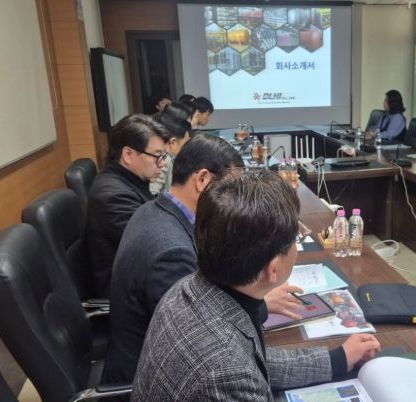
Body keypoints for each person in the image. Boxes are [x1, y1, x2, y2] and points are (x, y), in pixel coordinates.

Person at [132, 170, 381, 400]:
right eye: (294, 238)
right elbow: (238, 369)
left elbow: (253, 362)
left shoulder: (188, 288)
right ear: (272, 269)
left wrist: (337, 359)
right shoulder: (226, 373)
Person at [105, 134, 307, 387]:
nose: (238, 201)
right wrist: (258, 300)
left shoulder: (154, 211)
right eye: (230, 189)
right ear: (202, 179)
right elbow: (206, 341)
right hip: (147, 379)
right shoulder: (172, 252)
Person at [85, 114, 170, 297]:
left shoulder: (130, 181)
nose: (162, 164)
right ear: (128, 155)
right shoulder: (112, 196)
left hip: (141, 277)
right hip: (126, 293)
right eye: (157, 156)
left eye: (164, 156)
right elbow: (156, 244)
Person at [149, 113, 192, 195]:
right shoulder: (164, 160)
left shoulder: (168, 158)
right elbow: (153, 192)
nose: (186, 148)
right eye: (185, 144)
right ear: (172, 142)